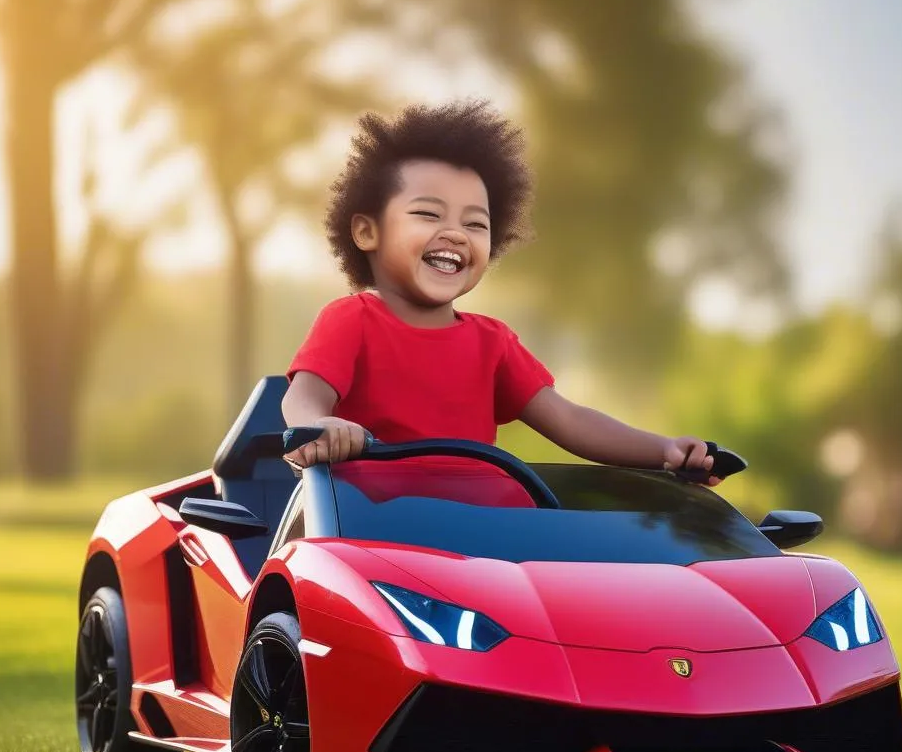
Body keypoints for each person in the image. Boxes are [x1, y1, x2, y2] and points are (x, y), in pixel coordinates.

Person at [282, 100, 719, 485]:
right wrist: (320, 427)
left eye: (475, 224)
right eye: (428, 214)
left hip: (484, 534)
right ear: (366, 231)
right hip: (374, 528)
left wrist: (663, 451)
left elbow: (569, 419)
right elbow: (303, 397)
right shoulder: (350, 319)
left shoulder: (493, 343)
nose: (455, 234)